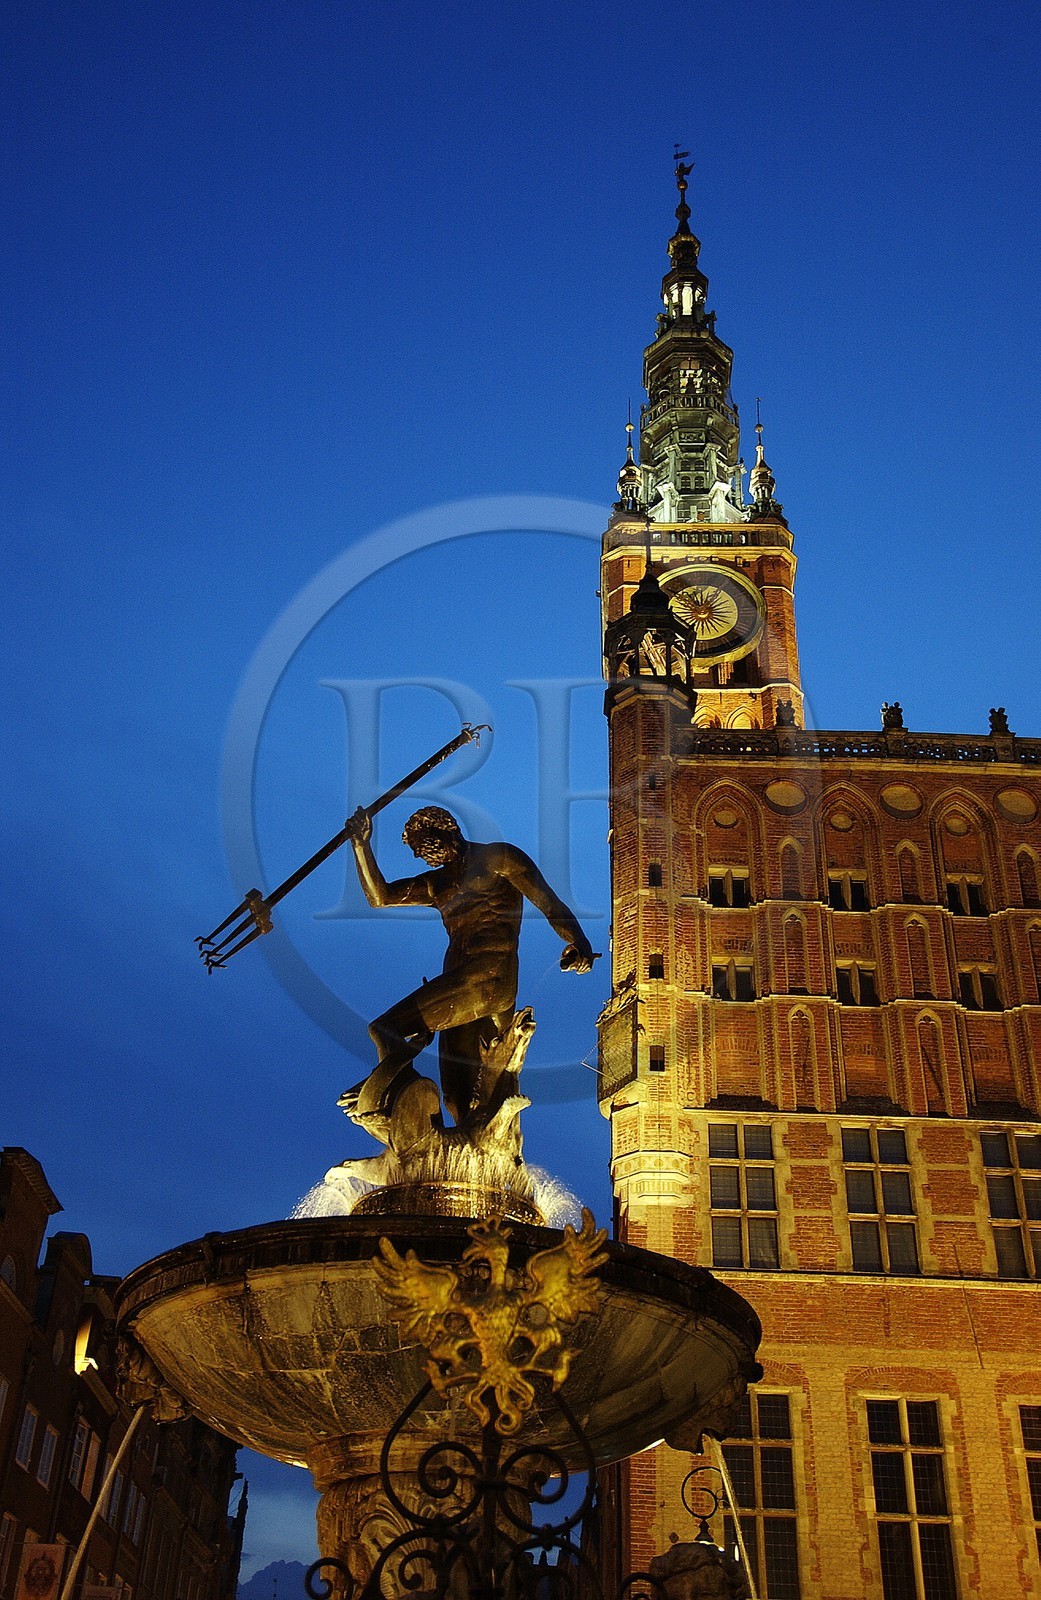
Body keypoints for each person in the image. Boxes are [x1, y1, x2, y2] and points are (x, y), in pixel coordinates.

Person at [337, 805, 595, 1128]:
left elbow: (549, 902)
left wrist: (578, 942)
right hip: (459, 982)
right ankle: (436, 1132)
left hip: (490, 974)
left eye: (422, 846)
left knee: (384, 1029)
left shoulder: (498, 859)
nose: (421, 857)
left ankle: (394, 1093)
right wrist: (360, 846)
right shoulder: (436, 884)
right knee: (457, 1097)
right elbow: (381, 897)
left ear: (443, 830)